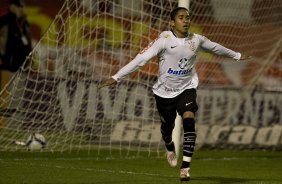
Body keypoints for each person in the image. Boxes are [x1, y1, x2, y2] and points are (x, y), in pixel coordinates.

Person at [98, 7, 251, 181]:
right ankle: (169, 147)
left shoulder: (196, 39)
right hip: (164, 92)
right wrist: (116, 77)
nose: (186, 20)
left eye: (187, 17)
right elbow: (140, 60)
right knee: (167, 129)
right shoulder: (163, 40)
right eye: (181, 17)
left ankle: (185, 167)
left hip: (187, 88)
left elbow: (215, 47)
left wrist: (237, 55)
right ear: (172, 22)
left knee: (189, 119)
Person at [0, 0, 32, 73]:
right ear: (12, 7)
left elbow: (28, 44)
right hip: (5, 68)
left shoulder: (25, 24)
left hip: (22, 70)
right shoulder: (4, 22)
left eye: (23, 6)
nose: (22, 9)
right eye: (19, 6)